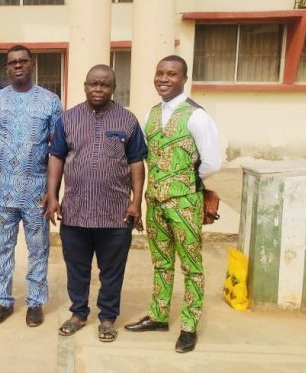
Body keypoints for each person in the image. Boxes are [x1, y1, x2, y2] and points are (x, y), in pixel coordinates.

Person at [123, 55, 220, 353]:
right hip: (155, 200)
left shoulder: (197, 116)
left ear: (184, 79)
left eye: (172, 74)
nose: (164, 79)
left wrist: (186, 181)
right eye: (160, 73)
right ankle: (159, 314)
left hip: (184, 202)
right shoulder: (152, 114)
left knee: (191, 265)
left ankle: (189, 325)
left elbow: (212, 162)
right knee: (161, 262)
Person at [44, 65, 147, 343]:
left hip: (115, 214)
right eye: (93, 84)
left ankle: (107, 317)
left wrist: (136, 202)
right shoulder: (68, 119)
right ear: (85, 85)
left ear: (113, 88)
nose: (98, 89)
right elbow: (56, 157)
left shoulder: (127, 120)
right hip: (76, 211)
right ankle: (78, 313)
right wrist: (53, 196)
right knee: (77, 268)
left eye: (104, 85)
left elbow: (137, 162)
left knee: (112, 270)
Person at [0, 45, 62, 327]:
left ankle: (35, 302)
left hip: (36, 191)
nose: (18, 66)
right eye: (12, 62)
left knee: (38, 249)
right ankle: (3, 300)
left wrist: (53, 194)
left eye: (23, 61)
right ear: (6, 68)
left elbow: (57, 152)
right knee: (3, 248)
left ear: (32, 63)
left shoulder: (51, 102)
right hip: (2, 190)